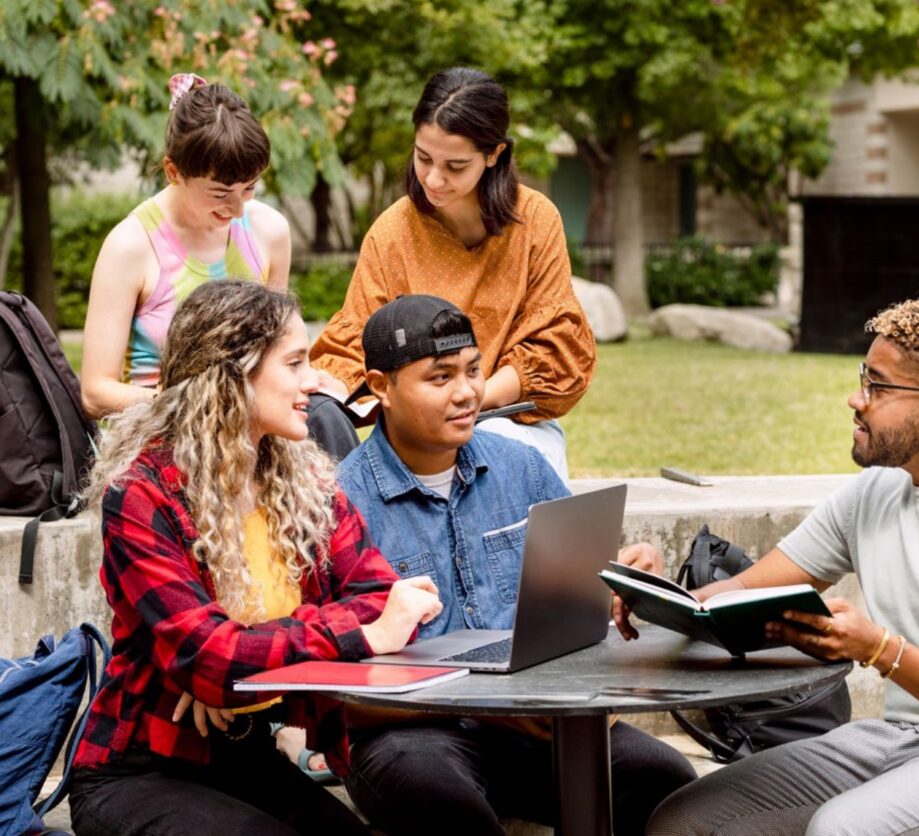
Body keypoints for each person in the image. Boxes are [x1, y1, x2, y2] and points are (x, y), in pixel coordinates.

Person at [67, 281, 442, 836]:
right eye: (294, 363)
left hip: (242, 756)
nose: (315, 382)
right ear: (232, 374)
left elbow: (382, 600)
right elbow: (209, 655)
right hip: (137, 770)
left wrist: (247, 672)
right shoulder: (144, 494)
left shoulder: (304, 479)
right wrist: (350, 638)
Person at [646, 296, 919, 836]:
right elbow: (745, 588)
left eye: (878, 386)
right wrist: (651, 589)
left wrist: (879, 650)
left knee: (843, 829)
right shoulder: (874, 491)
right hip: (893, 738)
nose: (857, 399)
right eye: (862, 379)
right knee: (685, 820)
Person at [336, 294, 695, 836]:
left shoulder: (521, 466)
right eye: (439, 378)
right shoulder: (340, 501)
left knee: (667, 779)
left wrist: (622, 578)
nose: (465, 393)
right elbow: (333, 689)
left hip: (535, 724)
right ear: (380, 387)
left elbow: (577, 604)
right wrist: (479, 707)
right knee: (444, 805)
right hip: (411, 734)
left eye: (474, 371)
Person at [310, 67, 595, 480]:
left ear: (494, 154)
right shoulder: (392, 231)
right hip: (415, 436)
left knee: (497, 453)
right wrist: (329, 390)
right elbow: (357, 340)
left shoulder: (535, 220)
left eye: (455, 166)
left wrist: (469, 400)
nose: (433, 178)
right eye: (423, 157)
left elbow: (555, 343)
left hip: (508, 421)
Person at [80, 73, 291, 419]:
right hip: (158, 438)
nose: (238, 209)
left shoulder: (270, 232)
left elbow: (278, 351)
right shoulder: (131, 247)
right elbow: (96, 392)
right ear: (173, 171)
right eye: (220, 193)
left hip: (247, 432)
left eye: (250, 188)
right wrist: (201, 403)